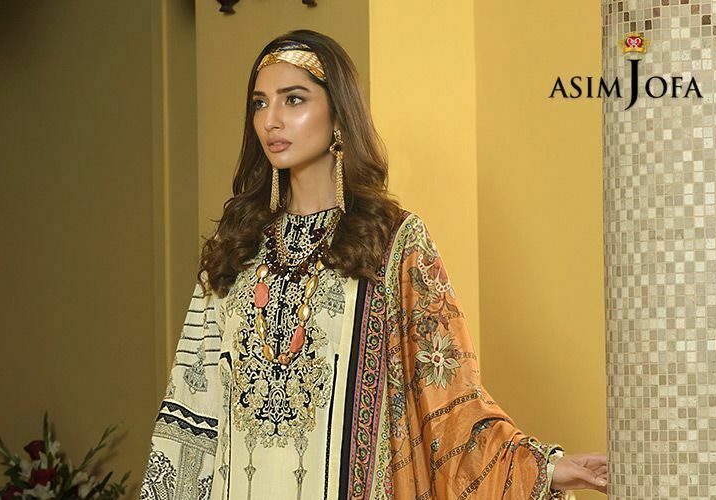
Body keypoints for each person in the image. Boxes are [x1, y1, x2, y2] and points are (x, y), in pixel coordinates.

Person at [140, 29, 607, 500]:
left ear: (338, 114)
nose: (271, 121)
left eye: (293, 100)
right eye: (260, 104)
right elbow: (191, 410)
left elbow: (448, 399)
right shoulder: (236, 247)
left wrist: (544, 470)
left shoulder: (392, 243)